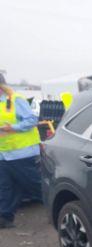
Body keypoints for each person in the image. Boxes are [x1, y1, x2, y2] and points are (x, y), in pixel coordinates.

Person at [0, 73, 42, 229]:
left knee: (35, 185)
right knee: (6, 187)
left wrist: (12, 128)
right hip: (4, 154)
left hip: (22, 153)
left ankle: (57, 208)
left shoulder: (16, 99)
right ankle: (4, 218)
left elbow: (32, 120)